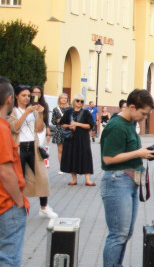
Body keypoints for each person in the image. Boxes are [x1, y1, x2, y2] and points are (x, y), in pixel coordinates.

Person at [99, 89, 154, 267]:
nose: (144, 118)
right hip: (117, 181)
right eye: (143, 113)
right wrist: (139, 153)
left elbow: (127, 150)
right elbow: (108, 158)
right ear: (132, 107)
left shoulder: (129, 123)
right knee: (118, 234)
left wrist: (143, 150)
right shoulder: (117, 126)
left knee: (125, 233)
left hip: (129, 181)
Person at [0, 77, 31, 267]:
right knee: (8, 259)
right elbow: (6, 171)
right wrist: (19, 202)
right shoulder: (1, 128)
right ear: (10, 99)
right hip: (6, 204)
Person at [8, 85, 56, 218]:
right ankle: (15, 207)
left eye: (29, 96)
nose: (26, 98)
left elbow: (39, 128)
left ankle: (44, 207)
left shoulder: (34, 111)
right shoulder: (12, 111)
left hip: (33, 148)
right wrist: (26, 113)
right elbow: (14, 128)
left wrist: (40, 113)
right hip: (19, 148)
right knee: (18, 180)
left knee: (42, 177)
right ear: (16, 96)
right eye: (23, 95)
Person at [59, 94, 95, 186]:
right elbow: (62, 124)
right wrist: (69, 126)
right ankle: (74, 179)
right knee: (72, 156)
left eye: (81, 101)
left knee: (86, 156)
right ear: (74, 101)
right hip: (71, 138)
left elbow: (90, 125)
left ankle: (87, 179)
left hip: (83, 138)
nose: (79, 103)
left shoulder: (86, 113)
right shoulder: (68, 112)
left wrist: (77, 124)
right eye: (78, 100)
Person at [50, 93, 71, 162]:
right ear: (59, 99)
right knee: (60, 150)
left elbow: (73, 119)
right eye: (62, 98)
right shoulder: (56, 109)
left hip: (69, 130)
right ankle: (61, 167)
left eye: (65, 98)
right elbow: (53, 121)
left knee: (69, 149)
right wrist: (58, 121)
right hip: (59, 130)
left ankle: (68, 165)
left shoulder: (70, 109)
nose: (64, 99)